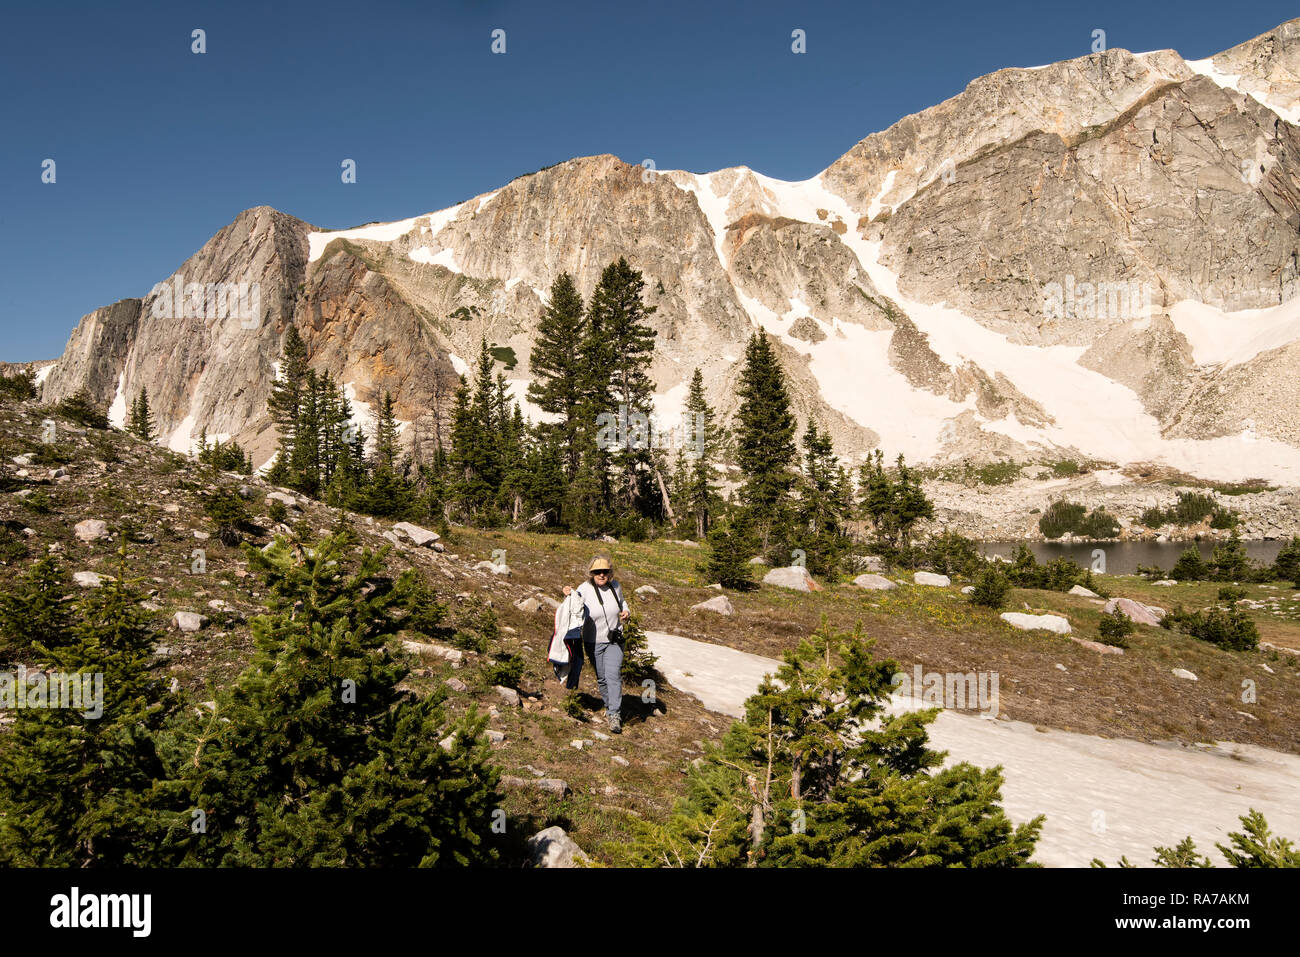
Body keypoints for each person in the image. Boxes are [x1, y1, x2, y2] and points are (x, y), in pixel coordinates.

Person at [562, 555, 630, 733]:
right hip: (593, 641)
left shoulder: (616, 586)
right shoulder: (584, 588)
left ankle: (614, 714)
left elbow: (622, 602)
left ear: (610, 573)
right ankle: (609, 706)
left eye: (605, 572)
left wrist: (626, 611)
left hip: (615, 640)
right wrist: (568, 592)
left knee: (613, 675)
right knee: (602, 677)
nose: (601, 575)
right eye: (597, 572)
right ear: (591, 573)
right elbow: (573, 602)